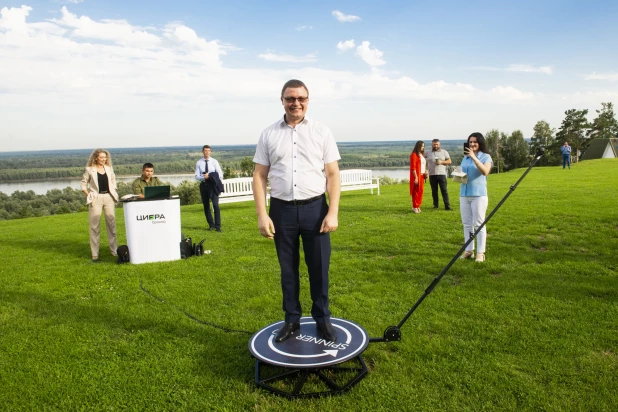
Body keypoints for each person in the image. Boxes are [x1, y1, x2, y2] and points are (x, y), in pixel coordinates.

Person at [252, 79, 341, 343]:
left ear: (307, 100)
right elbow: (259, 175)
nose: (296, 103)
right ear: (282, 100)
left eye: (301, 98)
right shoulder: (268, 134)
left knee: (319, 267)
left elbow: (333, 174)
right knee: (288, 269)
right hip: (282, 211)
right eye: (290, 98)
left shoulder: (322, 132)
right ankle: (291, 320)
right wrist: (262, 214)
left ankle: (323, 319)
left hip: (316, 208)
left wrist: (332, 211)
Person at [459, 132, 493, 263]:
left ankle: (480, 252)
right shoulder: (465, 157)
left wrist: (474, 157)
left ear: (480, 143)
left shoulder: (486, 157)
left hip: (478, 195)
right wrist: (458, 174)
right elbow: (465, 172)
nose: (472, 144)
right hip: (464, 193)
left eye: (475, 142)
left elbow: (485, 171)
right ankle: (469, 250)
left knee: (479, 224)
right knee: (467, 224)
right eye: (470, 142)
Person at [81, 149, 118, 262]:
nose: (103, 159)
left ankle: (114, 251)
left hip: (109, 198)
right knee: (94, 226)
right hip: (95, 198)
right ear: (96, 157)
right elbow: (83, 184)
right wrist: (89, 195)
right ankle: (95, 254)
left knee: (111, 225)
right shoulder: (89, 169)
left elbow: (113, 182)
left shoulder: (109, 168)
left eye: (105, 157)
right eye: (101, 157)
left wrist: (113, 191)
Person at [195, 145, 224, 232]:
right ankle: (211, 225)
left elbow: (220, 175)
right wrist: (204, 178)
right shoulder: (199, 162)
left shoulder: (214, 162)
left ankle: (218, 226)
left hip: (212, 186)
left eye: (208, 151)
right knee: (206, 206)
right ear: (202, 152)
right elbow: (196, 176)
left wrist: (210, 176)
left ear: (210, 152)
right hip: (203, 185)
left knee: (215, 205)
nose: (207, 152)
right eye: (205, 151)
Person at [426, 139, 452, 210]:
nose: (436, 146)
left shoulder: (444, 152)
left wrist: (441, 162)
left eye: (437, 144)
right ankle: (435, 205)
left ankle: (447, 206)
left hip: (442, 174)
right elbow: (421, 158)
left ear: (439, 145)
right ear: (432, 144)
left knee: (444, 190)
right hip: (432, 174)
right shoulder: (428, 152)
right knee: (434, 191)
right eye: (434, 144)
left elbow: (449, 161)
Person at [409, 140, 428, 214]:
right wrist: (416, 177)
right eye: (422, 146)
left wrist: (426, 172)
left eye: (423, 146)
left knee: (420, 191)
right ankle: (414, 207)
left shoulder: (421, 155)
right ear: (418, 146)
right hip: (417, 175)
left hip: (422, 175)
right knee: (416, 191)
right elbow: (413, 168)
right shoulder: (414, 155)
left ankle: (418, 206)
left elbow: (423, 165)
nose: (423, 147)